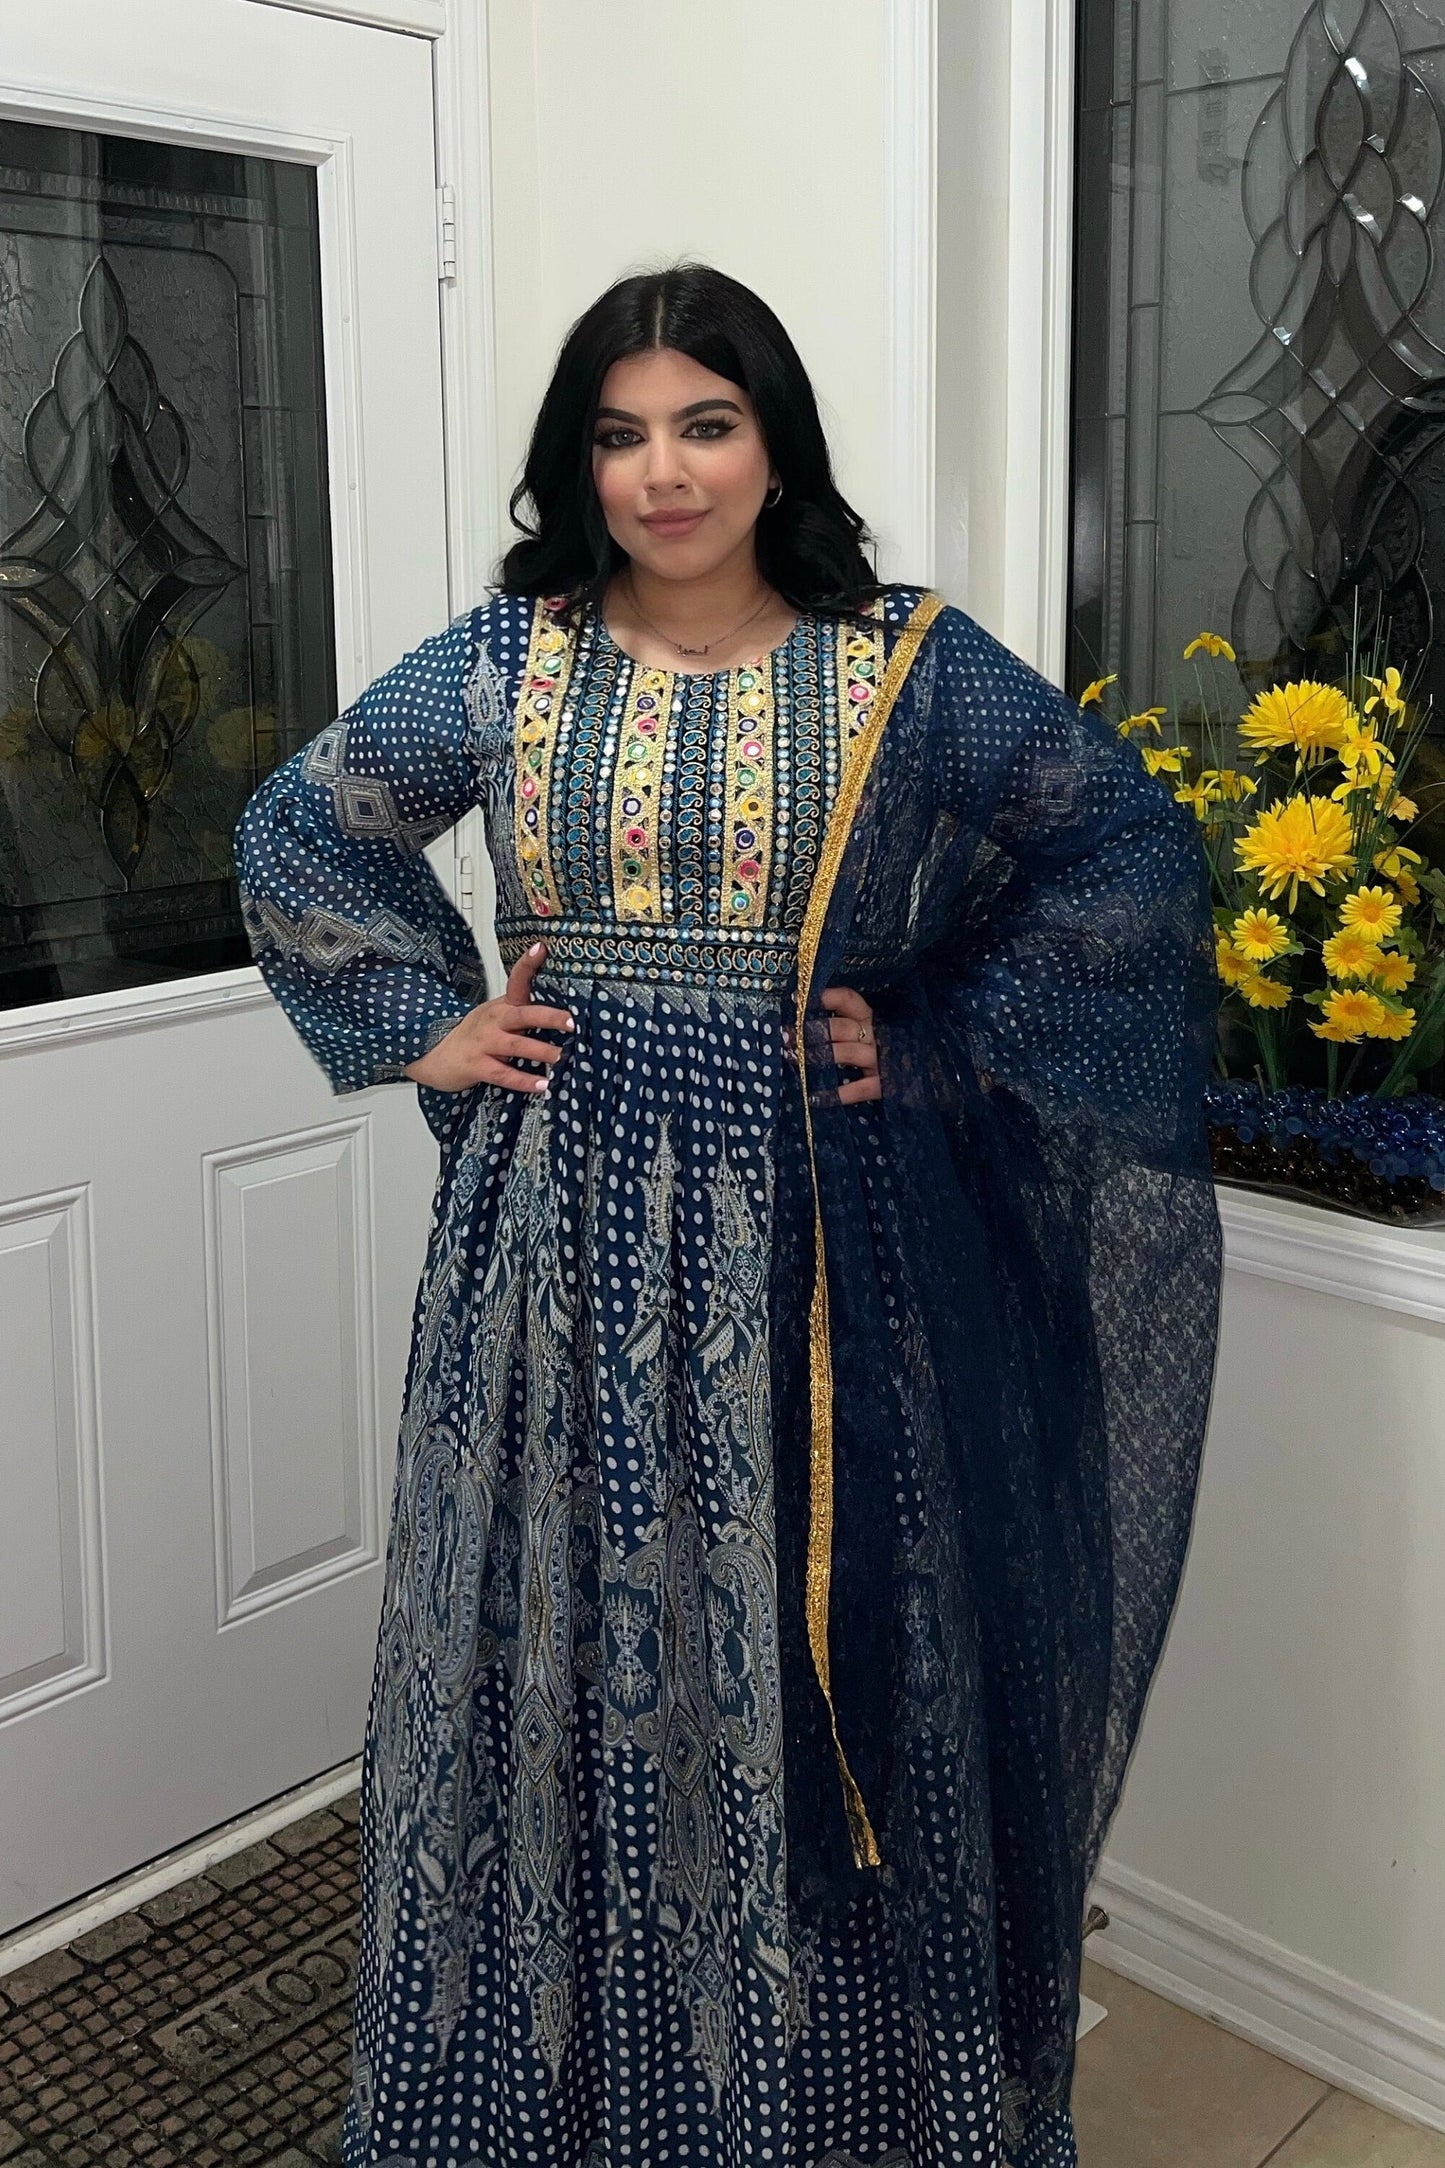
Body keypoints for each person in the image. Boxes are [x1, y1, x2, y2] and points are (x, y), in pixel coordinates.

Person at [234, 262, 1223, 2168]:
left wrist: (931, 1033)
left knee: (816, 1637)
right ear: (578, 463)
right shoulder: (509, 659)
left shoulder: (898, 663)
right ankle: (542, 2091)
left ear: (775, 447)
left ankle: (830, 2096)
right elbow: (299, 823)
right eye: (620, 436)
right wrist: (426, 1025)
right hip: (559, 1241)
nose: (663, 474)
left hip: (823, 1251)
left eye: (706, 425)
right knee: (562, 1631)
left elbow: (1123, 848)